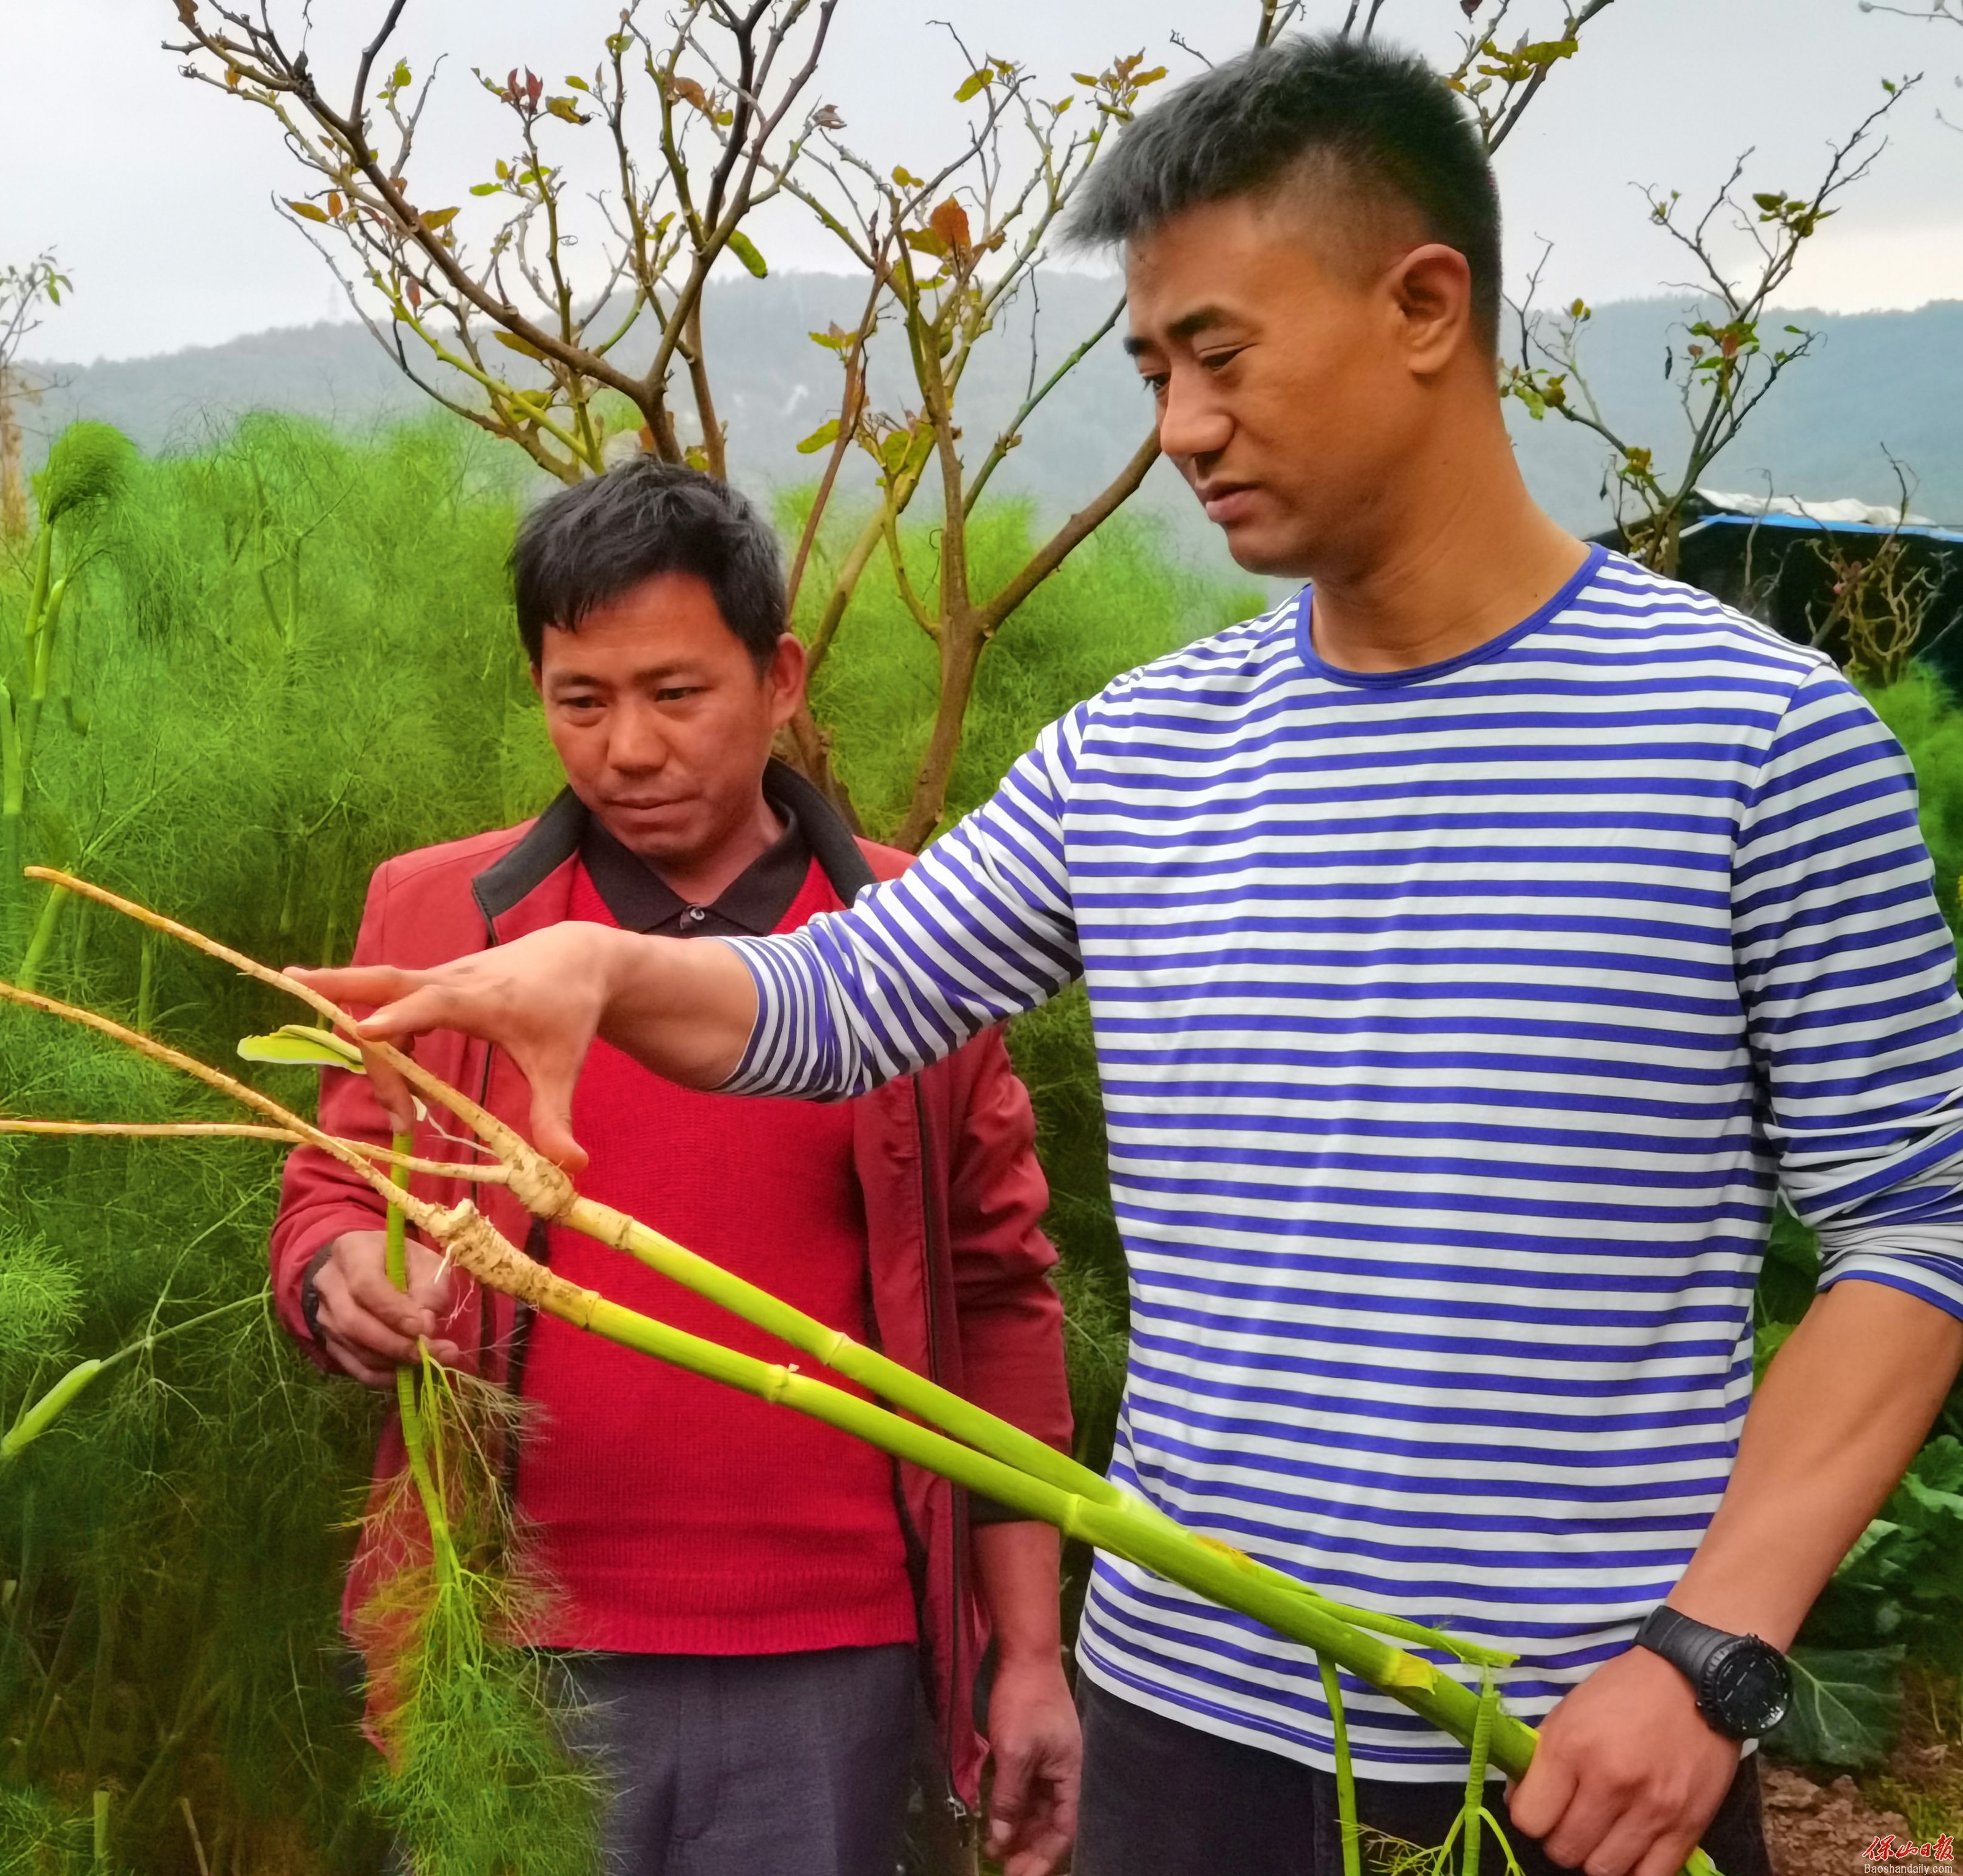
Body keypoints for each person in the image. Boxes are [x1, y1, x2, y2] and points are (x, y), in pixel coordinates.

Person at [302, 34, 1963, 1876]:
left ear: (1427, 305)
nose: (1179, 429)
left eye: (1221, 357)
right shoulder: (1139, 750)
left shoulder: (1759, 741)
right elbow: (844, 996)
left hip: (1574, 1743)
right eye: (1156, 369)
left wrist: (1708, 1653)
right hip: (1177, 1714)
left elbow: (1918, 1223)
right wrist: (603, 977)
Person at [271, 459, 1080, 1876]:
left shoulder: (914, 933)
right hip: (507, 1637)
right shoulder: (441, 912)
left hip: (833, 1647)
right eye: (579, 701)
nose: (625, 751)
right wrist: (338, 1277)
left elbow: (998, 1298)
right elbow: (337, 1187)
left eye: (673, 694)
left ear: (776, 679)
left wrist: (1027, 1654)